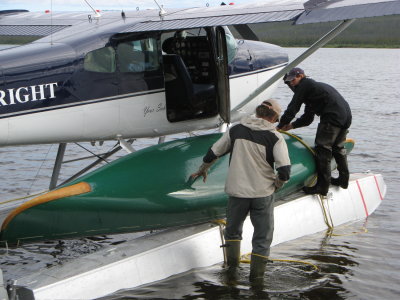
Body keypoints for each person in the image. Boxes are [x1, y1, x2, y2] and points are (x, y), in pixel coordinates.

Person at [191, 99, 291, 282]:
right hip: (262, 194)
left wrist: (202, 170)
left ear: (258, 112)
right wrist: (277, 184)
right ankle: (256, 281)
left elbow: (213, 153)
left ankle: (231, 273)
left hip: (237, 194)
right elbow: (284, 171)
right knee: (262, 238)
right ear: (273, 118)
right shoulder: (276, 138)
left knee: (233, 231)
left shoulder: (236, 130)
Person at [278, 67, 352, 196]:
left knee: (323, 150)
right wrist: (291, 126)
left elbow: (292, 108)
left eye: (293, 80)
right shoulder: (313, 91)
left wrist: (279, 126)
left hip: (332, 117)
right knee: (338, 148)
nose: (291, 83)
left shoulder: (305, 85)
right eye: (288, 82)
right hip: (345, 116)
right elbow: (308, 118)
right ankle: (343, 180)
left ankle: (322, 187)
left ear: (301, 76)